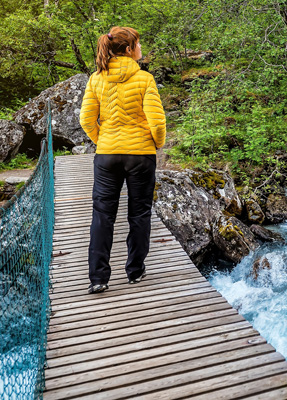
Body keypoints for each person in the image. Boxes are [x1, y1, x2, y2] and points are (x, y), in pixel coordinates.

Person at [79, 26, 166, 294]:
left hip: (106, 155)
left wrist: (102, 140)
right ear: (129, 50)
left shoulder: (96, 79)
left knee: (102, 215)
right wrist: (155, 144)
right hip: (140, 155)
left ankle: (98, 278)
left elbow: (85, 120)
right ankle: (135, 271)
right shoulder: (144, 79)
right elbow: (158, 123)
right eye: (139, 45)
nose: (141, 49)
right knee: (139, 213)